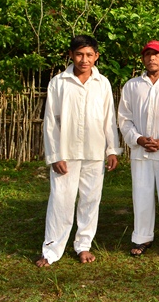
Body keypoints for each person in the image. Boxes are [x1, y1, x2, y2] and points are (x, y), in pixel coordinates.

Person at [36, 35, 120, 267]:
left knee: (90, 201)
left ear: (96, 56)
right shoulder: (59, 82)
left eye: (89, 55)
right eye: (80, 54)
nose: (84, 60)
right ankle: (52, 250)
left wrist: (112, 149)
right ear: (71, 55)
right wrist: (54, 155)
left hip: (94, 151)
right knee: (61, 200)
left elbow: (108, 118)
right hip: (66, 151)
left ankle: (83, 245)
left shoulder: (102, 83)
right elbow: (51, 122)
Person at [118, 40, 159, 256]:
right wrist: (137, 139)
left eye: (157, 54)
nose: (152, 58)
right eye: (147, 54)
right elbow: (124, 119)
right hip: (141, 151)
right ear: (143, 59)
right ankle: (142, 237)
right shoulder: (132, 85)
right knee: (142, 193)